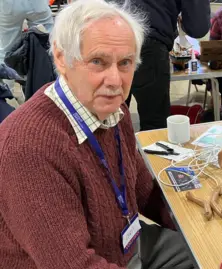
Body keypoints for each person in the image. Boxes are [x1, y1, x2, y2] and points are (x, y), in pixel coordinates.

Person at [0, 1, 193, 268]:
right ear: (61, 58)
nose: (115, 80)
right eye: (98, 62)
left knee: (204, 252)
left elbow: (141, 188)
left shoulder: (114, 111)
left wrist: (194, 223)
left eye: (125, 63)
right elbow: (74, 264)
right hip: (80, 260)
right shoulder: (29, 150)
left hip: (123, 242)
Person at [126, 0, 210, 131]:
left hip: (107, 33)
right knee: (154, 124)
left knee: (107, 119)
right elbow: (198, 26)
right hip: (149, 38)